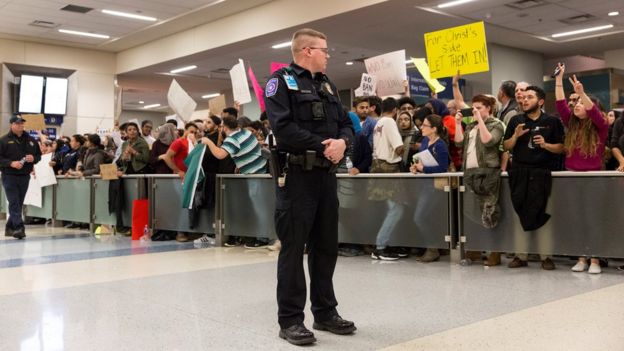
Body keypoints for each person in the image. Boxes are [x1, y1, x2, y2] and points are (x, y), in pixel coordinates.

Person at [264, 28, 356, 346]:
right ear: (307, 51)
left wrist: (343, 143)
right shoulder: (281, 82)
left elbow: (347, 123)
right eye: (324, 49)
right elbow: (283, 128)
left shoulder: (327, 86)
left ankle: (325, 312)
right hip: (296, 178)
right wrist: (323, 145)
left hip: (325, 177)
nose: (329, 55)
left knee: (326, 246)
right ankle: (290, 320)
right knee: (293, 249)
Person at [554, 64, 609, 273]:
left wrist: (581, 93)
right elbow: (560, 104)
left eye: (580, 103)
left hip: (593, 178)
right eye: (575, 103)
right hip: (572, 177)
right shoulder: (572, 125)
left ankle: (595, 259)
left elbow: (594, 112)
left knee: (593, 218)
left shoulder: (600, 127)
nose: (576, 105)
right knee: (576, 218)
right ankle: (581, 258)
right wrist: (559, 80)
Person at [503, 86, 564, 270]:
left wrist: (546, 145)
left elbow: (561, 147)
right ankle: (521, 256)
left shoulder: (552, 121)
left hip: (543, 173)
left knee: (543, 215)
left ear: (541, 101)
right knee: (519, 214)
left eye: (530, 97)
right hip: (520, 173)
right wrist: (515, 136)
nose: (525, 100)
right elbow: (506, 146)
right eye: (524, 97)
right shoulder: (516, 120)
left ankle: (546, 256)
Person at [454, 95, 505, 266]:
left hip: (488, 172)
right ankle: (475, 249)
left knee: (490, 210)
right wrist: (457, 123)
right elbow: (459, 143)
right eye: (473, 107)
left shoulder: (496, 124)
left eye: (479, 107)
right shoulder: (470, 126)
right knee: (471, 213)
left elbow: (489, 141)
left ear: (489, 108)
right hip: (469, 172)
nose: (475, 110)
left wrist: (480, 121)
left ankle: (495, 252)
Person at [410, 114, 450, 262]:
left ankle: (432, 247)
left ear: (434, 129)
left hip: (434, 187)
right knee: (427, 217)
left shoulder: (440, 145)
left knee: (419, 217)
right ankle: (437, 246)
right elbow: (422, 159)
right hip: (425, 185)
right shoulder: (426, 141)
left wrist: (424, 168)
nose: (422, 128)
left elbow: (443, 168)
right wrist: (416, 167)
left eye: (425, 125)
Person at [0, 115, 42, 239]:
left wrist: (33, 158)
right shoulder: (3, 140)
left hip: (24, 176)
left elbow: (38, 156)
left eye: (22, 123)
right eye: (18, 124)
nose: (21, 126)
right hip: (9, 175)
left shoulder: (31, 140)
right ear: (11, 125)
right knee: (13, 201)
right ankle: (19, 228)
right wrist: (11, 163)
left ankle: (9, 228)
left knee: (18, 202)